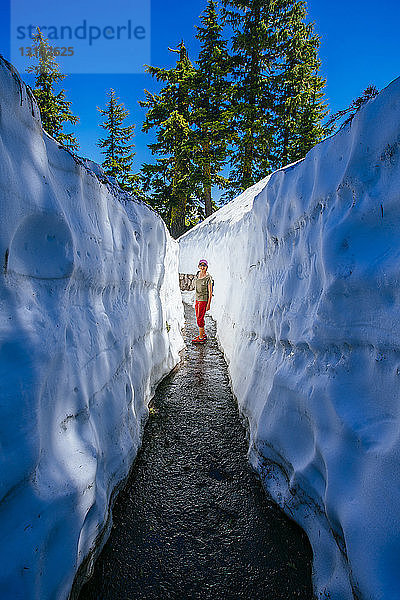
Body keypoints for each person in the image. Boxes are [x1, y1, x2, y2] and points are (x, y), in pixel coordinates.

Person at [192, 259, 213, 344]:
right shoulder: (198, 274)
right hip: (197, 299)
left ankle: (201, 338)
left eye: (204, 265)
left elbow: (210, 292)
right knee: (198, 317)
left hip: (203, 300)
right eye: (201, 265)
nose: (202, 267)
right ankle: (203, 334)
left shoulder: (208, 278)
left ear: (207, 267)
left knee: (200, 319)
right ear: (198, 266)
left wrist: (208, 304)